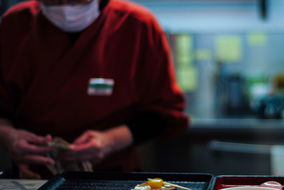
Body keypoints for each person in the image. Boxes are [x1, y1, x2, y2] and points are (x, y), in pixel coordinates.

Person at [0, 0, 189, 179]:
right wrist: (10, 138)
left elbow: (165, 114)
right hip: (33, 177)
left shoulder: (137, 25)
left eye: (76, 1)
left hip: (113, 176)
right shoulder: (14, 25)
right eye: (54, 1)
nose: (65, 7)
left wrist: (111, 140)